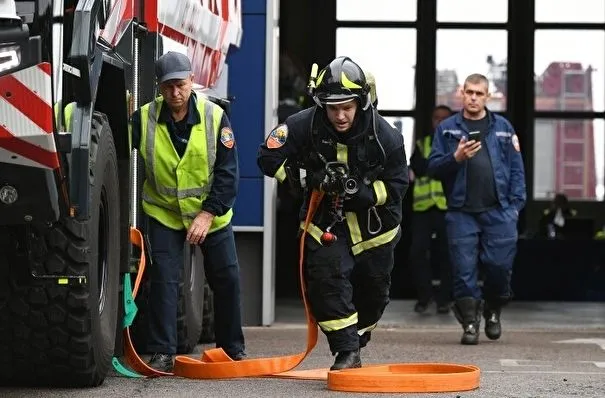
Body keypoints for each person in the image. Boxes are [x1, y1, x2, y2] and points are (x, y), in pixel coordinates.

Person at [257, 56, 408, 370]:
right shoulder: (303, 124)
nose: (340, 115)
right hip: (325, 221)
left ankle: (357, 335)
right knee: (326, 280)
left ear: (361, 103)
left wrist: (363, 194)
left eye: (347, 107)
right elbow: (267, 159)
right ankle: (346, 351)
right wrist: (310, 179)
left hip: (374, 228)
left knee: (375, 294)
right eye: (332, 107)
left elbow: (396, 187)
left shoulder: (387, 137)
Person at [130, 51, 246, 371]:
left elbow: (227, 173)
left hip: (211, 214)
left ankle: (232, 349)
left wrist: (208, 214)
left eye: (181, 85)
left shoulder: (215, 117)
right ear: (159, 88)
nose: (175, 93)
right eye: (168, 87)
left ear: (192, 81)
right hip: (165, 213)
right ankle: (163, 352)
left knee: (226, 278)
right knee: (165, 280)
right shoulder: (143, 119)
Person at [427, 73, 526, 345]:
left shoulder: (504, 127)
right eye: (469, 92)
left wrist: (516, 206)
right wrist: (456, 158)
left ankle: (493, 309)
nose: (473, 98)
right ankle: (470, 323)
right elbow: (433, 168)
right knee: (462, 269)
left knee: (499, 266)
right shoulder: (447, 128)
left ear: (488, 96)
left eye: (479, 93)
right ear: (461, 93)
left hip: (499, 212)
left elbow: (517, 170)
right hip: (461, 212)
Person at [408, 105, 453, 314]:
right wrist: (441, 167)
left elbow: (454, 169)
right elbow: (418, 166)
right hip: (423, 208)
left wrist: (433, 167)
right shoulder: (422, 143)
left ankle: (444, 299)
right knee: (417, 252)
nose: (440, 122)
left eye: (445, 118)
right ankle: (424, 297)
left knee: (448, 254)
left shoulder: (457, 143)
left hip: (447, 207)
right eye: (437, 118)